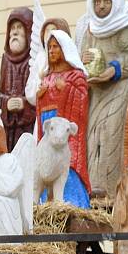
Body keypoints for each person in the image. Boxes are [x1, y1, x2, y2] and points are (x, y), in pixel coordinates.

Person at [78, 0, 128, 197]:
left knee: (110, 134)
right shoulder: (90, 29)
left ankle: (112, 192)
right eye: (98, 1)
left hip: (119, 89)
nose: (102, 6)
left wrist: (113, 69)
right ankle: (94, 189)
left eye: (106, 1)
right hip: (96, 90)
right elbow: (81, 58)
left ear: (115, 0)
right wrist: (83, 58)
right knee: (92, 138)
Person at [35, 30, 90, 208]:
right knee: (44, 165)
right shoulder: (47, 76)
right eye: (49, 47)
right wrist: (40, 96)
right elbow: (43, 105)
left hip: (64, 131)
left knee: (65, 163)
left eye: (56, 47)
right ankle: (44, 205)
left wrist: (66, 89)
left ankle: (71, 202)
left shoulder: (76, 76)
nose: (51, 51)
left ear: (65, 49)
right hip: (48, 127)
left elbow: (82, 101)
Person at [0, 8, 36, 150]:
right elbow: (0, 94)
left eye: (19, 27)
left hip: (28, 127)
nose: (14, 32)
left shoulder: (34, 59)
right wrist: (6, 103)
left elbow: (39, 94)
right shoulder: (5, 60)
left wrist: (24, 104)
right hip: (9, 127)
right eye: (12, 28)